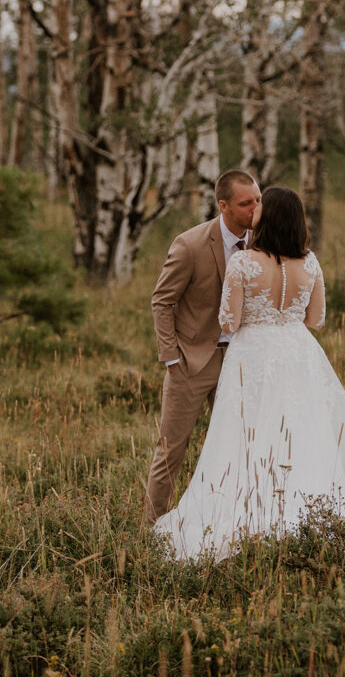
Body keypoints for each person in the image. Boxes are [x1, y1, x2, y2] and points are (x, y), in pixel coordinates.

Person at [153, 186, 345, 560]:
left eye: (261, 204)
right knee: (301, 434)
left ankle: (246, 514)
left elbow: (228, 319)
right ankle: (307, 516)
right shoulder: (310, 263)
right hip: (299, 355)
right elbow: (317, 319)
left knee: (244, 437)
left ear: (269, 216)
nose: (255, 207)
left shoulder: (244, 263)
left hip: (252, 356)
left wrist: (254, 314)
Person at [144, 169, 262, 524]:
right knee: (171, 451)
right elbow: (162, 302)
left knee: (240, 446)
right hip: (191, 363)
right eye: (246, 203)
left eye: (258, 199)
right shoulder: (190, 245)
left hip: (239, 361)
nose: (255, 208)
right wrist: (170, 359)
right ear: (223, 206)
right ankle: (150, 527)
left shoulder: (261, 242)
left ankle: (232, 522)